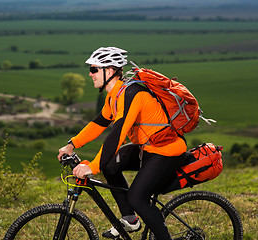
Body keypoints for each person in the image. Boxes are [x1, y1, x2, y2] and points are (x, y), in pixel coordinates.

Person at [57, 47, 187, 239]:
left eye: (94, 69)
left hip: (166, 150)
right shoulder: (114, 95)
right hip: (147, 147)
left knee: (137, 197)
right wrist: (72, 144)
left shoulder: (131, 93)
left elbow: (117, 134)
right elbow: (99, 123)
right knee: (110, 166)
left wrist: (93, 166)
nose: (90, 74)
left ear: (108, 71)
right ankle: (130, 220)